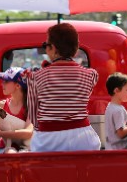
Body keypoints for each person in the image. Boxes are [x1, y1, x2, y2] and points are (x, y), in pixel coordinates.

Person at [26, 23, 101, 152]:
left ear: (53, 48)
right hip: (83, 139)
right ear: (76, 49)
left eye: (46, 45)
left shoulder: (35, 77)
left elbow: (33, 116)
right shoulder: (91, 75)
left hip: (47, 140)